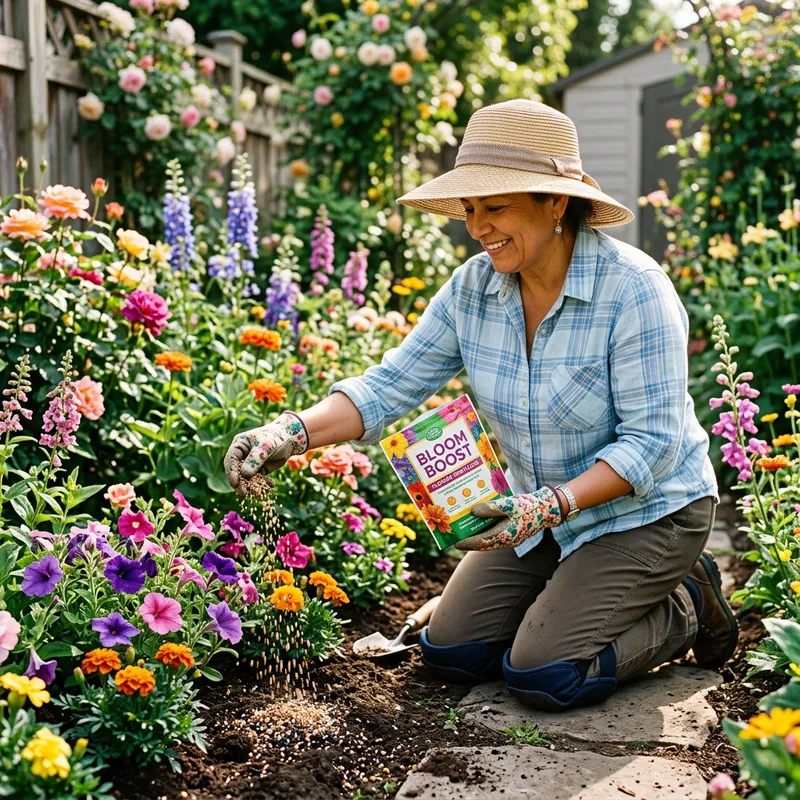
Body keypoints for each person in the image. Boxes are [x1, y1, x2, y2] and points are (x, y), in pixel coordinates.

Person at [224, 99, 738, 712]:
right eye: (471, 209)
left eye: (496, 207)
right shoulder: (474, 288)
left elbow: (652, 445)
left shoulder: (634, 291)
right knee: (452, 654)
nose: (477, 226)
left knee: (545, 674)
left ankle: (685, 603)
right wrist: (290, 432)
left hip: (647, 513)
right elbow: (392, 385)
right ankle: (567, 592)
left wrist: (547, 505)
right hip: (538, 518)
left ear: (557, 203)